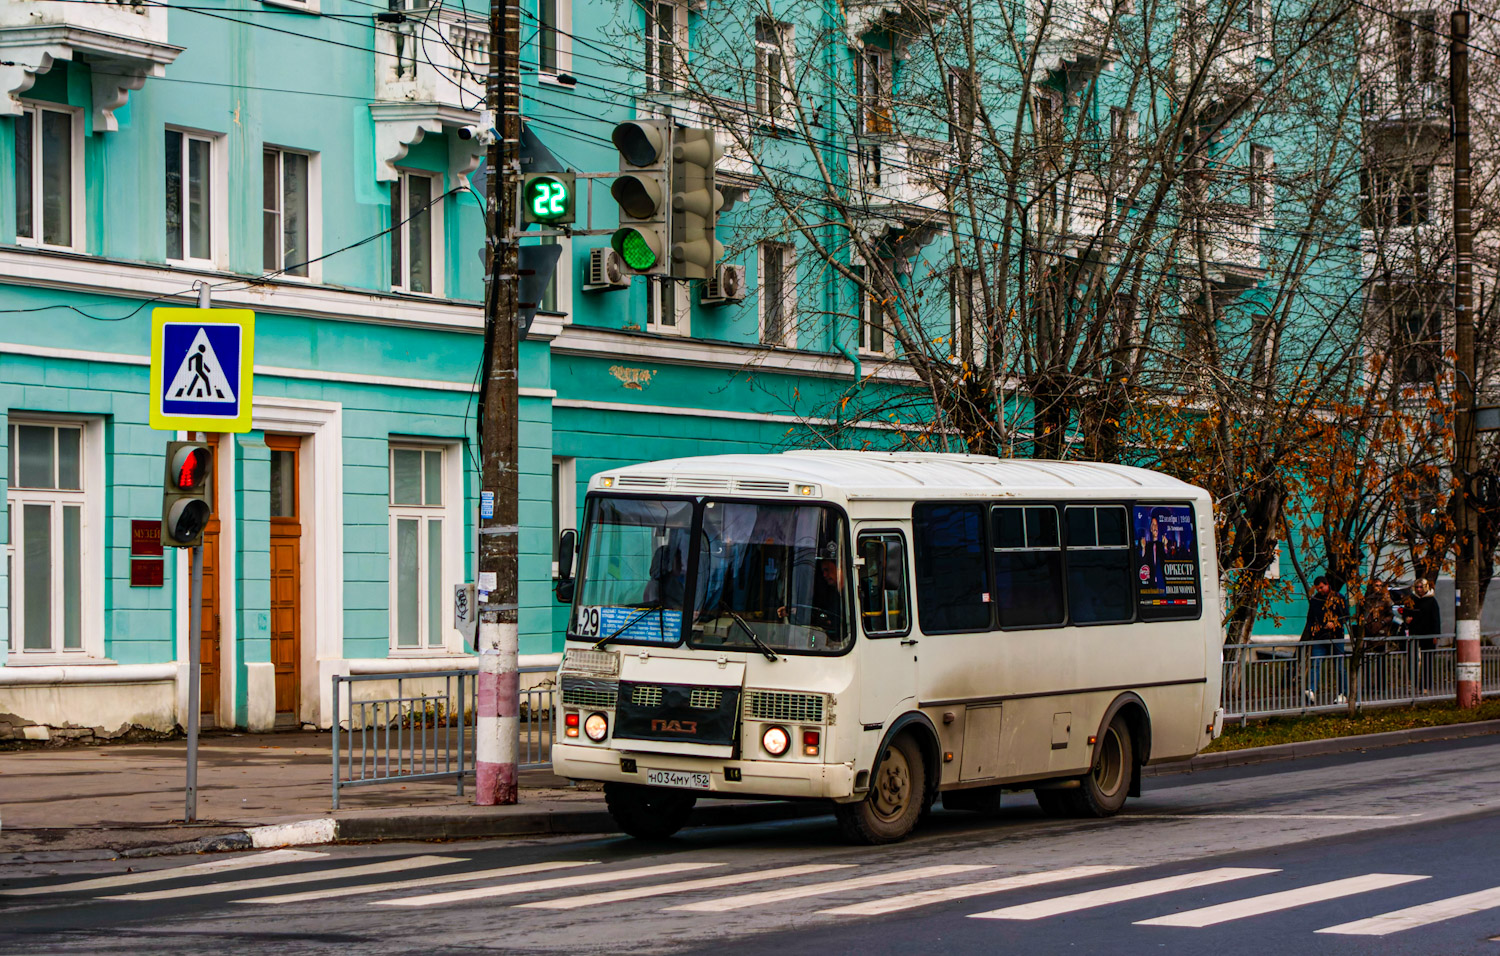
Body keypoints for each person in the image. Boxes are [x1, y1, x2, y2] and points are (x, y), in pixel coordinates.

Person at [1301, 575, 1349, 705]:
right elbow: (1310, 619)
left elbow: (1345, 615)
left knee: (1340, 666)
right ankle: (1311, 690)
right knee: (1315, 664)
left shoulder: (1338, 598)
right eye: (1318, 588)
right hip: (1320, 637)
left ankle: (1343, 693)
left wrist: (1335, 622)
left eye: (1322, 587)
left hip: (1336, 636)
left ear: (1327, 584)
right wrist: (1313, 630)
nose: (1320, 590)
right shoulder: (1316, 600)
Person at [1407, 577, 1442, 694]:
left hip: (1428, 635)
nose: (1419, 589)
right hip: (1414, 634)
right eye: (1417, 587)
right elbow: (1406, 612)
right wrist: (1407, 618)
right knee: (1413, 661)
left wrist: (1436, 635)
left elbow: (1436, 619)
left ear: (1426, 587)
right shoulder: (1412, 600)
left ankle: (1426, 685)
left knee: (1427, 661)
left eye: (1421, 587)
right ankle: (1414, 684)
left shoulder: (1432, 601)